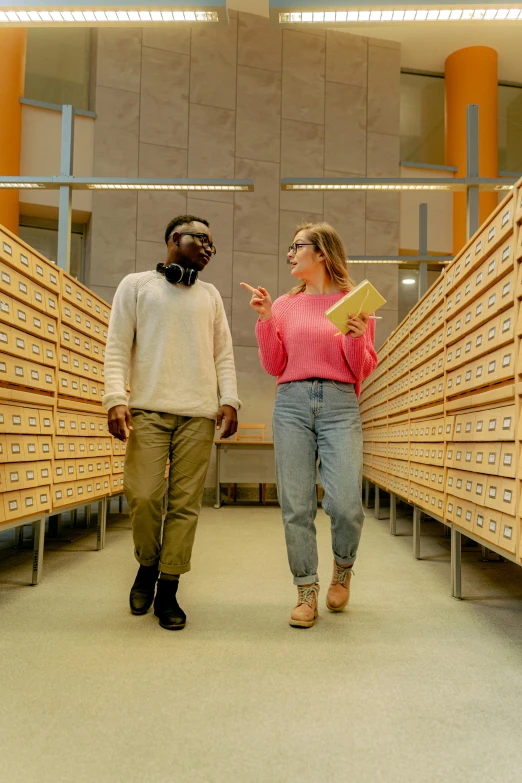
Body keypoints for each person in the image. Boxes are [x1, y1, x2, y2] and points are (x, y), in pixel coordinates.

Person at [103, 215, 240, 630]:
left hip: (199, 414)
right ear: (173, 239)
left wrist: (229, 399)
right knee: (143, 496)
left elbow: (223, 354)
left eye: (213, 245)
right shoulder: (137, 285)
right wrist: (114, 398)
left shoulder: (211, 295)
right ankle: (147, 564)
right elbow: (116, 346)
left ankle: (169, 586)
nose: (208, 248)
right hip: (148, 409)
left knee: (185, 507)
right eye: (201, 239)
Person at [241, 222, 377, 628]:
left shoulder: (356, 302)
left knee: (346, 504)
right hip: (292, 403)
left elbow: (363, 368)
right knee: (296, 505)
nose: (289, 254)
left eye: (297, 246)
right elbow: (273, 365)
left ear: (321, 253)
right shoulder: (283, 305)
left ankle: (343, 569)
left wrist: (355, 336)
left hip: (339, 403)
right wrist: (265, 319)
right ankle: (305, 591)